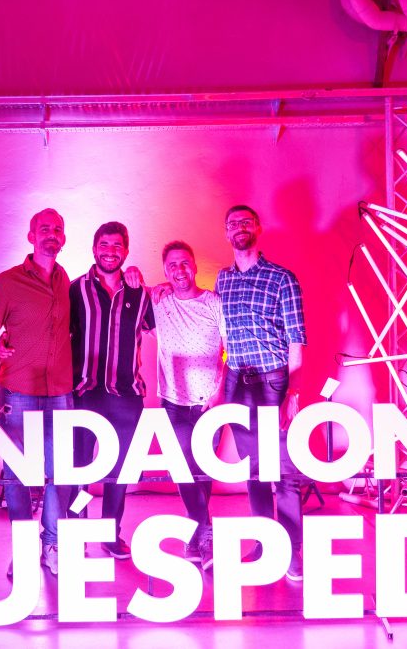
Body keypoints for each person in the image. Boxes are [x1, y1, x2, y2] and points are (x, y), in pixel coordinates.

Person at [0, 208, 73, 577]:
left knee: (59, 473)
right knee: (15, 475)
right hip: (18, 392)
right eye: (44, 228)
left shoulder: (66, 283)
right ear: (31, 236)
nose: (52, 234)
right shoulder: (6, 282)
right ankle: (22, 549)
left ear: (64, 238)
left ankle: (52, 545)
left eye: (57, 229)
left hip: (60, 392)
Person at [216, 204, 307, 582]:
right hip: (237, 381)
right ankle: (266, 543)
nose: (239, 228)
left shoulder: (283, 279)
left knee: (282, 472)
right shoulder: (222, 280)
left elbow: (297, 342)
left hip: (273, 382)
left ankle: (292, 551)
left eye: (246, 222)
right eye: (232, 224)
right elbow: (221, 334)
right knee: (254, 470)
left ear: (258, 228)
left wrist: (293, 393)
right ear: (226, 233)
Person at [69, 221, 155, 559]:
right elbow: (52, 331)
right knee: (79, 470)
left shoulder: (140, 293)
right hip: (84, 393)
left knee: (119, 471)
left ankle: (110, 534)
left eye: (117, 245)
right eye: (104, 245)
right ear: (94, 249)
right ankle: (77, 532)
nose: (110, 251)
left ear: (126, 251)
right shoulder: (75, 290)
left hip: (126, 396)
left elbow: (164, 319)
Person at [150, 240, 225, 569]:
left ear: (194, 267)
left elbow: (230, 349)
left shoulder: (214, 303)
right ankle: (204, 535)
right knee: (183, 469)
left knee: (203, 471)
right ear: (165, 272)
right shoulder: (159, 301)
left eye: (184, 263)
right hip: (173, 403)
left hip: (209, 402)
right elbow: (132, 293)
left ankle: (195, 537)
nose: (179, 270)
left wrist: (219, 393)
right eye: (172, 266)